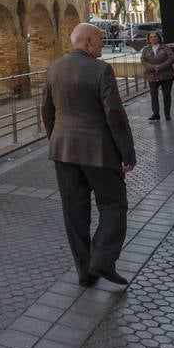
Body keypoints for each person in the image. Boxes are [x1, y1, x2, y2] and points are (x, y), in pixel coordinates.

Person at [42, 23, 136, 289]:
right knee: (114, 204)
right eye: (99, 40)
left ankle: (85, 271)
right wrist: (127, 152)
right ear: (87, 41)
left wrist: (55, 138)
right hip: (98, 150)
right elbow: (115, 115)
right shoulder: (101, 69)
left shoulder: (54, 68)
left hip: (63, 149)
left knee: (74, 211)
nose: (101, 45)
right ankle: (102, 259)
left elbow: (46, 110)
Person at [139, 31, 174, 122]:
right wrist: (153, 67)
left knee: (166, 95)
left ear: (158, 38)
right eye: (151, 37)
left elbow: (171, 58)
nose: (153, 38)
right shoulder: (146, 49)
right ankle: (156, 114)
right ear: (148, 39)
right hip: (152, 76)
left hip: (166, 75)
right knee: (153, 95)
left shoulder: (165, 47)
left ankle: (167, 114)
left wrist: (160, 67)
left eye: (155, 36)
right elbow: (143, 60)